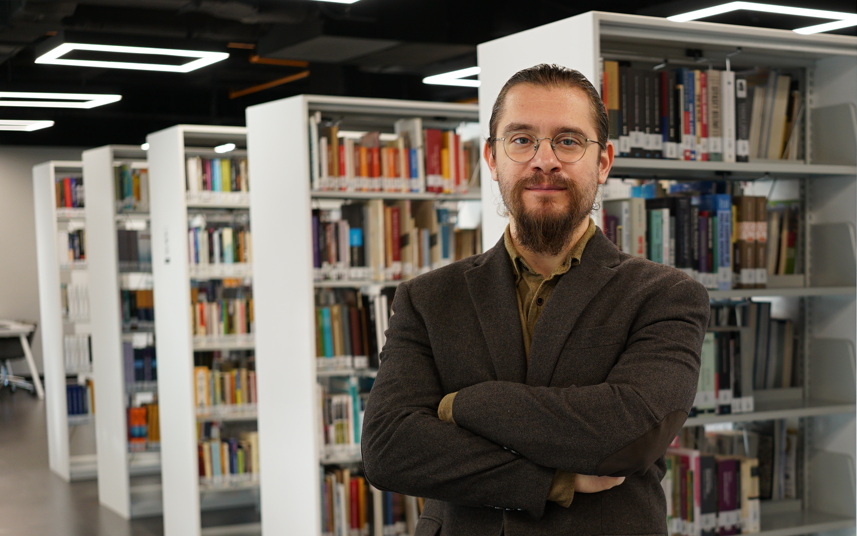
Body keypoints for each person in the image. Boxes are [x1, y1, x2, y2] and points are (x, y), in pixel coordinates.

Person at [361, 64, 710, 536]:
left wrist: (464, 405)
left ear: (603, 161)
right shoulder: (428, 298)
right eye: (521, 140)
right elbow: (389, 449)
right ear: (492, 158)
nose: (544, 161)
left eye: (568, 141)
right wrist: (553, 481)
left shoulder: (665, 296)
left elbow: (628, 436)